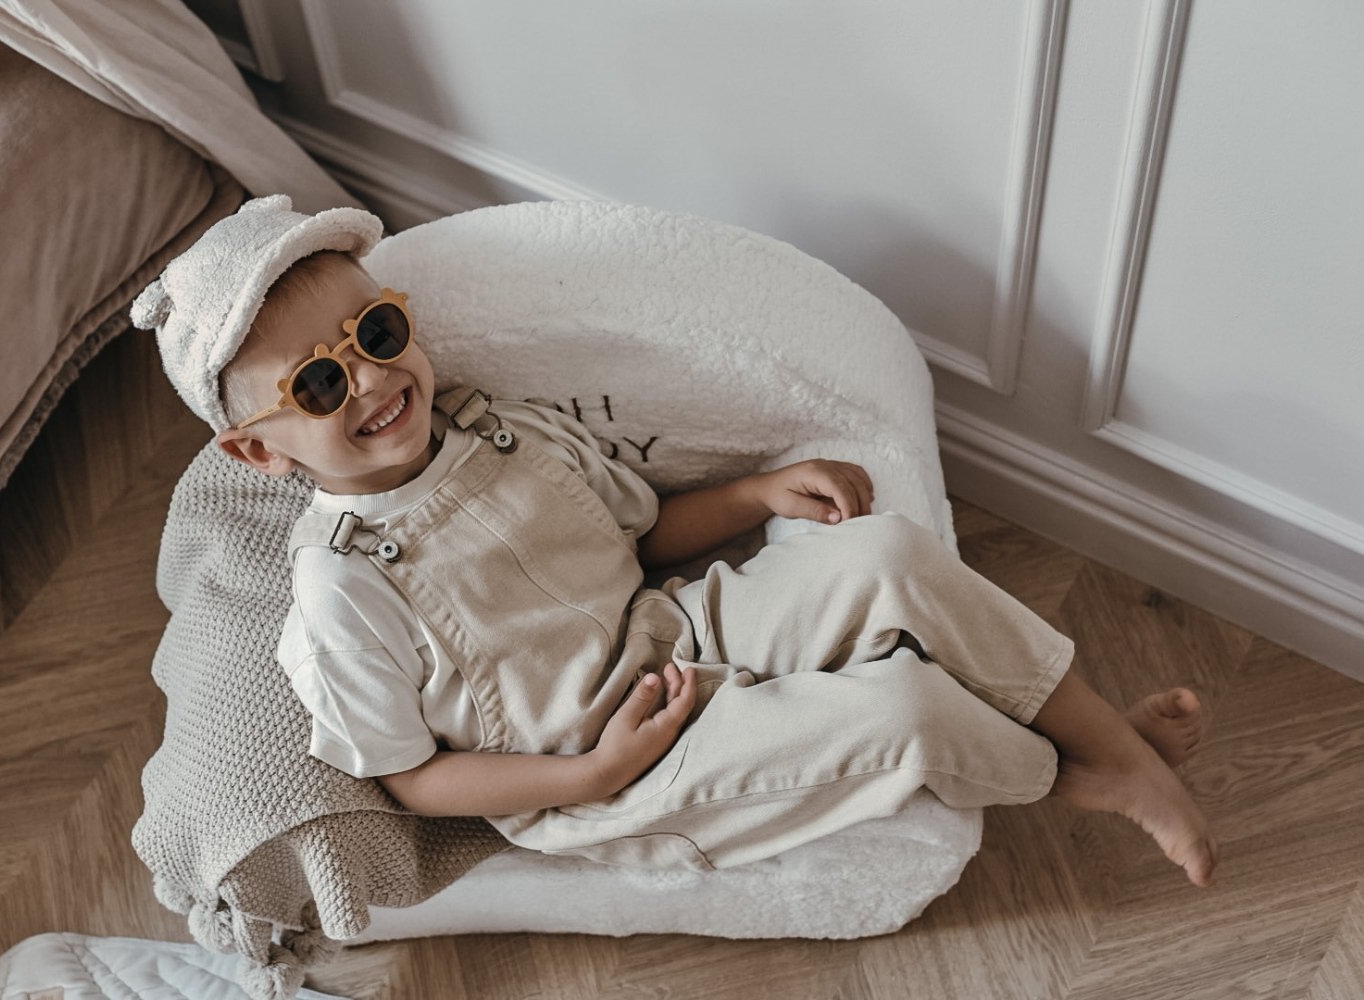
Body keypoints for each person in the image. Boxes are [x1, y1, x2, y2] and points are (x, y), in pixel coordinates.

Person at [134, 196, 1218, 886]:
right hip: (610, 768)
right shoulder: (341, 590)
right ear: (261, 454)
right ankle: (1076, 771)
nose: (371, 380)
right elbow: (412, 780)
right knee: (903, 709)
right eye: (321, 384)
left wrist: (754, 495)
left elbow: (644, 535)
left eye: (376, 335)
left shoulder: (494, 428)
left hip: (673, 627)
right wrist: (593, 769)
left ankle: (1103, 738)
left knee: (888, 556)